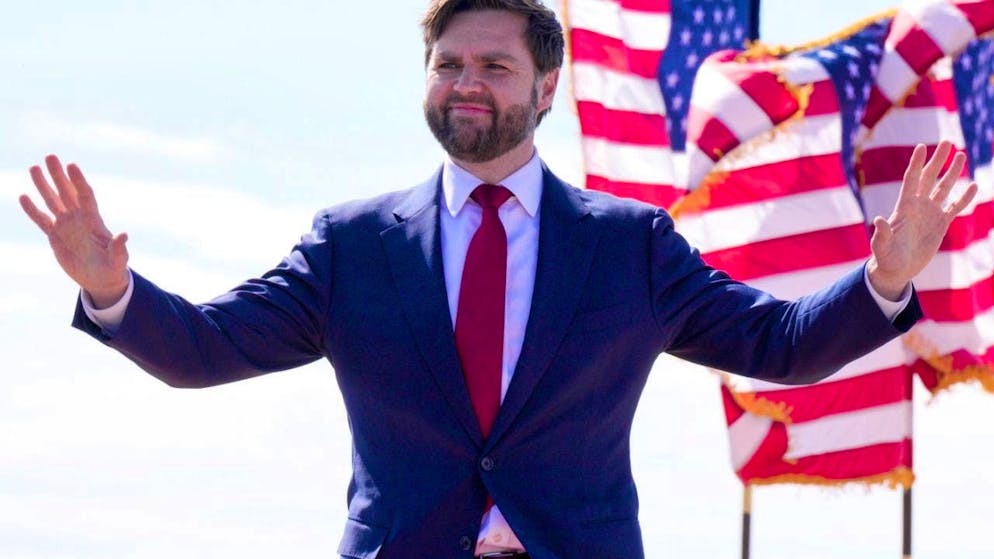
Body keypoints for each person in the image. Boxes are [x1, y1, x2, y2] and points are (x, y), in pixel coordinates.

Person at [17, 1, 977, 558]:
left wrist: (884, 278)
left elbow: (782, 346)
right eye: (447, 64)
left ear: (546, 86)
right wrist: (115, 293)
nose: (466, 81)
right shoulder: (351, 245)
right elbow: (205, 351)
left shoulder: (630, 244)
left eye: (494, 65)